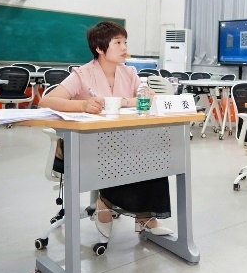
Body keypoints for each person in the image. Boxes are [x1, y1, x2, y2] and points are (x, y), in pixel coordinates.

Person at [39, 21, 172, 240]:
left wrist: (127, 100)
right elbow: (46, 102)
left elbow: (148, 97)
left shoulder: (129, 72)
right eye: (117, 42)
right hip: (87, 143)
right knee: (125, 153)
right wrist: (82, 105)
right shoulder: (82, 74)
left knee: (153, 151)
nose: (124, 47)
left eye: (125, 42)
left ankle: (141, 215)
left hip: (123, 139)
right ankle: (111, 204)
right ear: (100, 48)